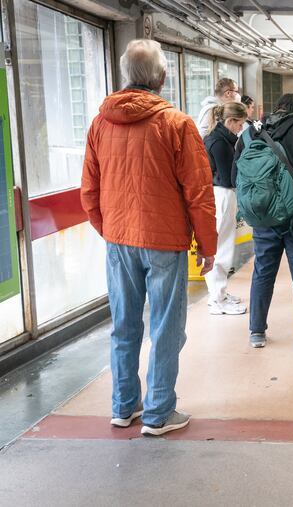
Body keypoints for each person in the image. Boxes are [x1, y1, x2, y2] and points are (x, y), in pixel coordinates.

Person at [81, 39, 217, 436]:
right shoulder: (177, 124)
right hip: (164, 240)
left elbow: (89, 189)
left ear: (127, 76)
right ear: (162, 77)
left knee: (124, 324)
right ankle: (158, 413)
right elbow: (198, 192)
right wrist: (207, 246)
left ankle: (124, 407)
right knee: (166, 327)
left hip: (119, 241)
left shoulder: (100, 123)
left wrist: (108, 229)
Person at [234, 93, 293, 351]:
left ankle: (257, 332)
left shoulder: (250, 133)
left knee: (263, 272)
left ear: (277, 108)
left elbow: (236, 175)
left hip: (263, 217)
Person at [203, 102, 249, 315]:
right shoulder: (220, 143)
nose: (241, 129)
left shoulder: (219, 138)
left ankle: (218, 293)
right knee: (221, 247)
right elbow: (228, 176)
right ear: (230, 121)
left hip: (220, 194)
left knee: (222, 245)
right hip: (221, 195)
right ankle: (217, 299)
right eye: (239, 124)